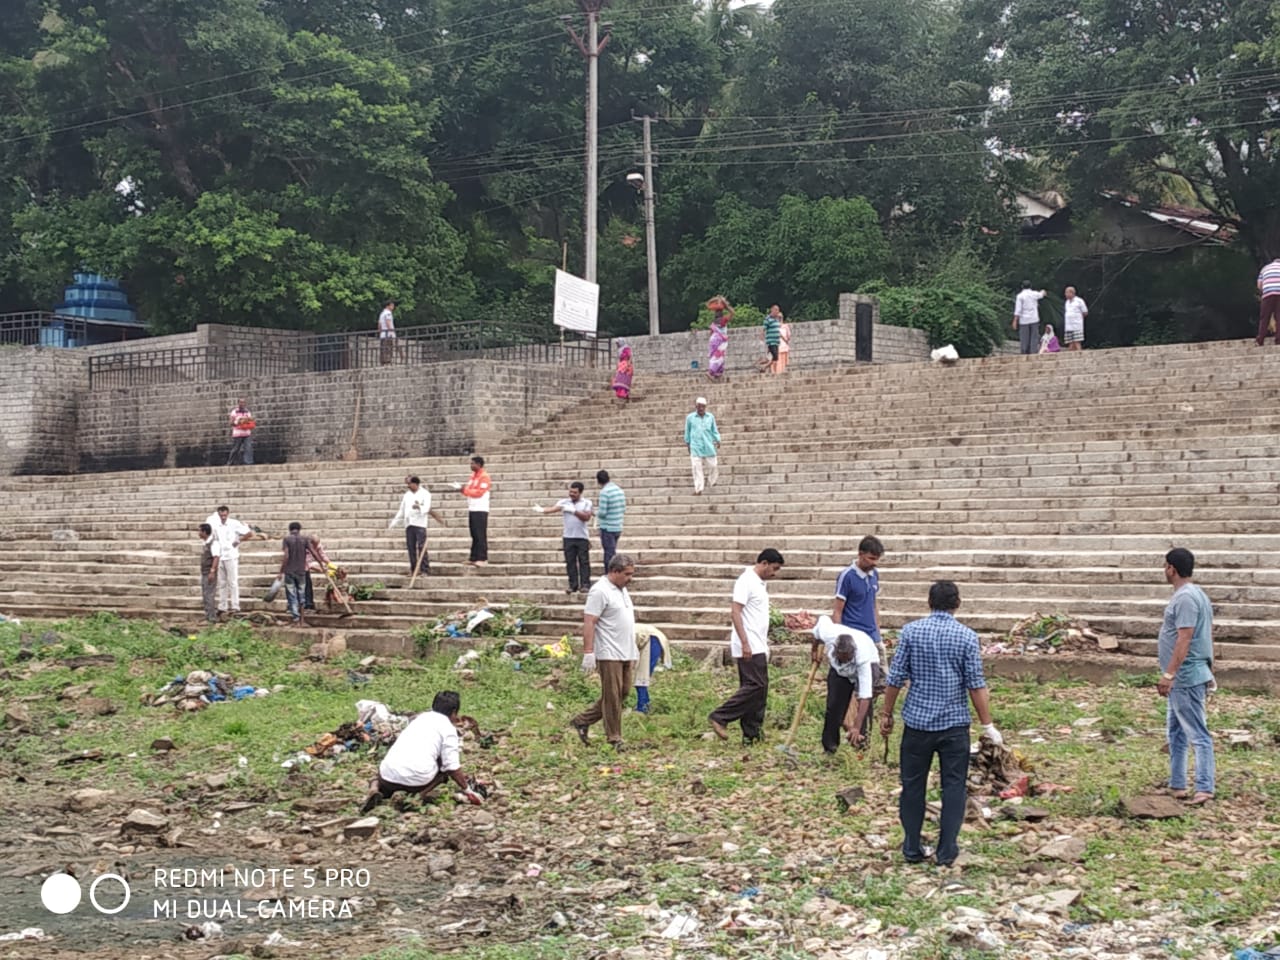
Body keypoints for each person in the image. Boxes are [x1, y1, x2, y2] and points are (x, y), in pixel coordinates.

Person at [880, 581, 1002, 868]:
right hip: (954, 725)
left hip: (917, 724)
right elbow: (975, 684)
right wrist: (988, 725)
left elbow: (895, 678)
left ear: (929, 602)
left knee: (912, 787)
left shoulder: (911, 632)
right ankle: (946, 851)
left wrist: (886, 713)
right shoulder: (967, 637)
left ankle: (911, 848)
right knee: (954, 786)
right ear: (957, 603)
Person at [1157, 547, 1216, 805]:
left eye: (1165, 566)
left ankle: (1204, 787)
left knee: (1197, 733)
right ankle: (1177, 783)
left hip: (1186, 676)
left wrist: (1170, 673)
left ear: (1172, 568)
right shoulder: (1194, 594)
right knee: (1176, 732)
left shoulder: (1185, 599)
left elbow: (1185, 636)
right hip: (1188, 674)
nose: (1164, 571)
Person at [360, 690, 483, 813]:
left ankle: (374, 788)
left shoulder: (419, 719)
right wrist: (467, 789)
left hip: (386, 778)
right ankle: (418, 797)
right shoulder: (448, 729)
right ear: (454, 712)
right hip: (415, 784)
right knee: (443, 772)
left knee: (389, 765)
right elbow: (451, 767)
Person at [709, 548, 785, 744]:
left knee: (760, 690)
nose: (774, 573)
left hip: (758, 643)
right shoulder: (746, 581)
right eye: (774, 568)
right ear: (764, 563)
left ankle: (752, 734)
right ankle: (721, 716)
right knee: (755, 686)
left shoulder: (760, 584)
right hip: (748, 643)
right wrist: (744, 642)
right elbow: (735, 612)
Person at [570, 554, 638, 749]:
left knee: (623, 692)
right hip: (609, 651)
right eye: (627, 574)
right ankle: (614, 737)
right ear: (614, 572)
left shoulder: (621, 590)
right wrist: (589, 652)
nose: (630, 578)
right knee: (613, 695)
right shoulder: (600, 591)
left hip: (625, 649)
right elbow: (590, 621)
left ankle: (582, 720)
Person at [811, 614, 880, 754]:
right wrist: (814, 648)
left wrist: (856, 726)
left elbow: (865, 696)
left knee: (864, 709)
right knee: (833, 706)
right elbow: (821, 621)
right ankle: (830, 747)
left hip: (870, 661)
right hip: (839, 672)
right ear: (835, 650)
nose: (845, 660)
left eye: (847, 658)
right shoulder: (829, 633)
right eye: (841, 658)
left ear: (853, 653)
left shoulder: (863, 658)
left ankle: (861, 744)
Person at [833, 536, 886, 668]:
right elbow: (838, 609)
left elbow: (873, 604)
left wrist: (878, 632)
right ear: (860, 554)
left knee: (881, 673)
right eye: (871, 558)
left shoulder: (874, 574)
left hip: (872, 634)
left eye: (877, 559)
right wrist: (839, 638)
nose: (875, 563)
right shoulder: (847, 576)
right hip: (854, 634)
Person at [536, 482, 593, 594]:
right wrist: (542, 510)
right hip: (568, 537)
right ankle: (573, 585)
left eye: (575, 492)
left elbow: (586, 517)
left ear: (580, 492)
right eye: (570, 491)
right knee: (570, 562)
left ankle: (585, 584)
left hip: (582, 537)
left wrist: (574, 511)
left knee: (584, 561)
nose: (572, 494)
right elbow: (553, 509)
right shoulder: (564, 502)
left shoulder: (587, 502)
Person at [204, 505, 261, 618]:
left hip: (231, 555)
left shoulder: (234, 523)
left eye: (225, 515)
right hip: (220, 556)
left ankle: (235, 605)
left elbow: (248, 533)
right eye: (221, 515)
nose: (223, 517)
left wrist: (239, 540)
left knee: (233, 582)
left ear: (228, 514)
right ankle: (222, 606)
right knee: (222, 583)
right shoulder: (216, 525)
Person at [389, 476, 444, 577]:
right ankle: (414, 569)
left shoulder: (425, 494)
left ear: (415, 484)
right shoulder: (407, 495)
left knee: (421, 547)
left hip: (420, 524)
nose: (408, 486)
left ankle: (425, 569)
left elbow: (427, 507)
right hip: (409, 523)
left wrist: (419, 507)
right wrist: (395, 521)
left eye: (409, 484)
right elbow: (402, 509)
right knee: (411, 547)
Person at [454, 455, 491, 566]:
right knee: (474, 533)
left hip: (480, 508)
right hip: (472, 508)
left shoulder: (484, 477)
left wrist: (465, 490)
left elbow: (479, 492)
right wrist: (461, 489)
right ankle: (474, 557)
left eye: (472, 463)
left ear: (478, 465)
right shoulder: (473, 476)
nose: (471, 465)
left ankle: (482, 558)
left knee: (480, 534)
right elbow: (468, 490)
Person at [684, 397, 721, 495]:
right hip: (696, 446)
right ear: (696, 406)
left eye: (703, 407)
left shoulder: (710, 417)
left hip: (708, 445)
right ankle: (699, 489)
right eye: (699, 406)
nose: (701, 409)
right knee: (696, 468)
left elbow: (714, 430)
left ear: (705, 407)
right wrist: (688, 443)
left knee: (713, 465)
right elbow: (687, 432)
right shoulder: (690, 418)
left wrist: (717, 440)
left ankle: (712, 481)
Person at [632, 622, 670, 714]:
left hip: (651, 638)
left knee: (641, 676)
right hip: (644, 638)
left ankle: (642, 707)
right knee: (639, 676)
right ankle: (645, 703)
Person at [278, 522, 310, 625]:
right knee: (302, 595)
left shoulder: (287, 539)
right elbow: (313, 552)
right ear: (299, 529)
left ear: (290, 529)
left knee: (292, 595)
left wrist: (281, 571)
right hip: (301, 571)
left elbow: (286, 556)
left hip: (290, 571)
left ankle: (296, 618)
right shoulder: (305, 539)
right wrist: (321, 564)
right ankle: (302, 620)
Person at [595, 470, 626, 570]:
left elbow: (602, 513)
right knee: (612, 551)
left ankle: (610, 575)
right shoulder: (619, 490)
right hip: (617, 525)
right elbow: (623, 507)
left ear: (598, 481)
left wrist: (594, 513)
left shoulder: (605, 492)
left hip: (607, 527)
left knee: (609, 554)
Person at [1012, 282, 1046, 355]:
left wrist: (1015, 320)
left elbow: (1018, 309)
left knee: (1024, 338)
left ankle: (1024, 352)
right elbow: (1042, 294)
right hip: (1034, 319)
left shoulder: (1020, 296)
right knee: (1034, 337)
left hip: (1024, 320)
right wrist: (1043, 291)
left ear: (1022, 287)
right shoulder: (1034, 294)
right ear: (1031, 286)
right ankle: (1033, 352)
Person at [198, 523, 221, 624]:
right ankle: (208, 615)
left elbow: (216, 557)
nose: (198, 533)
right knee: (205, 594)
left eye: (199, 531)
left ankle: (211, 618)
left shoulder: (213, 543)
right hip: (205, 572)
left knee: (209, 594)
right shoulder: (207, 543)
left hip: (209, 572)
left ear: (204, 532)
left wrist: (212, 571)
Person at [706, 297, 732, 380]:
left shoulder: (714, 323)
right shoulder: (723, 320)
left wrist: (715, 299)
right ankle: (711, 372)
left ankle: (718, 372)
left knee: (715, 356)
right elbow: (732, 313)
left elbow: (710, 333)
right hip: (720, 341)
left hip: (713, 340)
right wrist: (727, 306)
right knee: (718, 357)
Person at [1257, 257, 1280, 346]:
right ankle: (1278, 339)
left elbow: (1259, 285)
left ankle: (1261, 339)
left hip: (1268, 295)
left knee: (1264, 317)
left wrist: (1265, 290)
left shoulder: (1265, 268)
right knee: (1279, 317)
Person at [227, 398, 255, 466]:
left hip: (246, 433)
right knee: (235, 449)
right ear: (238, 403)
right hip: (237, 433)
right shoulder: (234, 412)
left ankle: (248, 462)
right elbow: (230, 423)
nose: (242, 404)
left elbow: (251, 421)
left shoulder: (247, 412)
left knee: (248, 448)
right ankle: (231, 462)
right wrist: (238, 422)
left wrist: (247, 421)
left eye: (243, 402)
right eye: (241, 402)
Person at [1062, 286, 1088, 351]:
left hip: (1077, 325)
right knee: (1070, 342)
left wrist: (1078, 318)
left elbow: (1085, 312)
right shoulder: (1067, 302)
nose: (1065, 294)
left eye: (1067, 292)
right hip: (1068, 326)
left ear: (1072, 293)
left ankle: (1080, 354)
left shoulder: (1079, 301)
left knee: (1077, 341)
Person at [761, 305, 783, 373]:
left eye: (778, 310)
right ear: (772, 310)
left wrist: (781, 318)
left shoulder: (776, 319)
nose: (777, 312)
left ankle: (764, 363)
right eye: (776, 310)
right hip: (771, 341)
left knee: (772, 357)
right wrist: (762, 336)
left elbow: (780, 325)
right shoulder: (768, 319)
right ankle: (764, 367)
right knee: (775, 357)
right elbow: (764, 329)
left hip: (776, 341)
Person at [378, 300, 397, 365]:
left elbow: (379, 325)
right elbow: (388, 322)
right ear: (388, 306)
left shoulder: (382, 313)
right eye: (392, 305)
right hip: (388, 334)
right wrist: (392, 332)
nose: (393, 307)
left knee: (383, 350)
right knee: (388, 349)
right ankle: (388, 362)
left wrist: (380, 333)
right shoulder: (388, 313)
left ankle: (383, 362)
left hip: (383, 334)